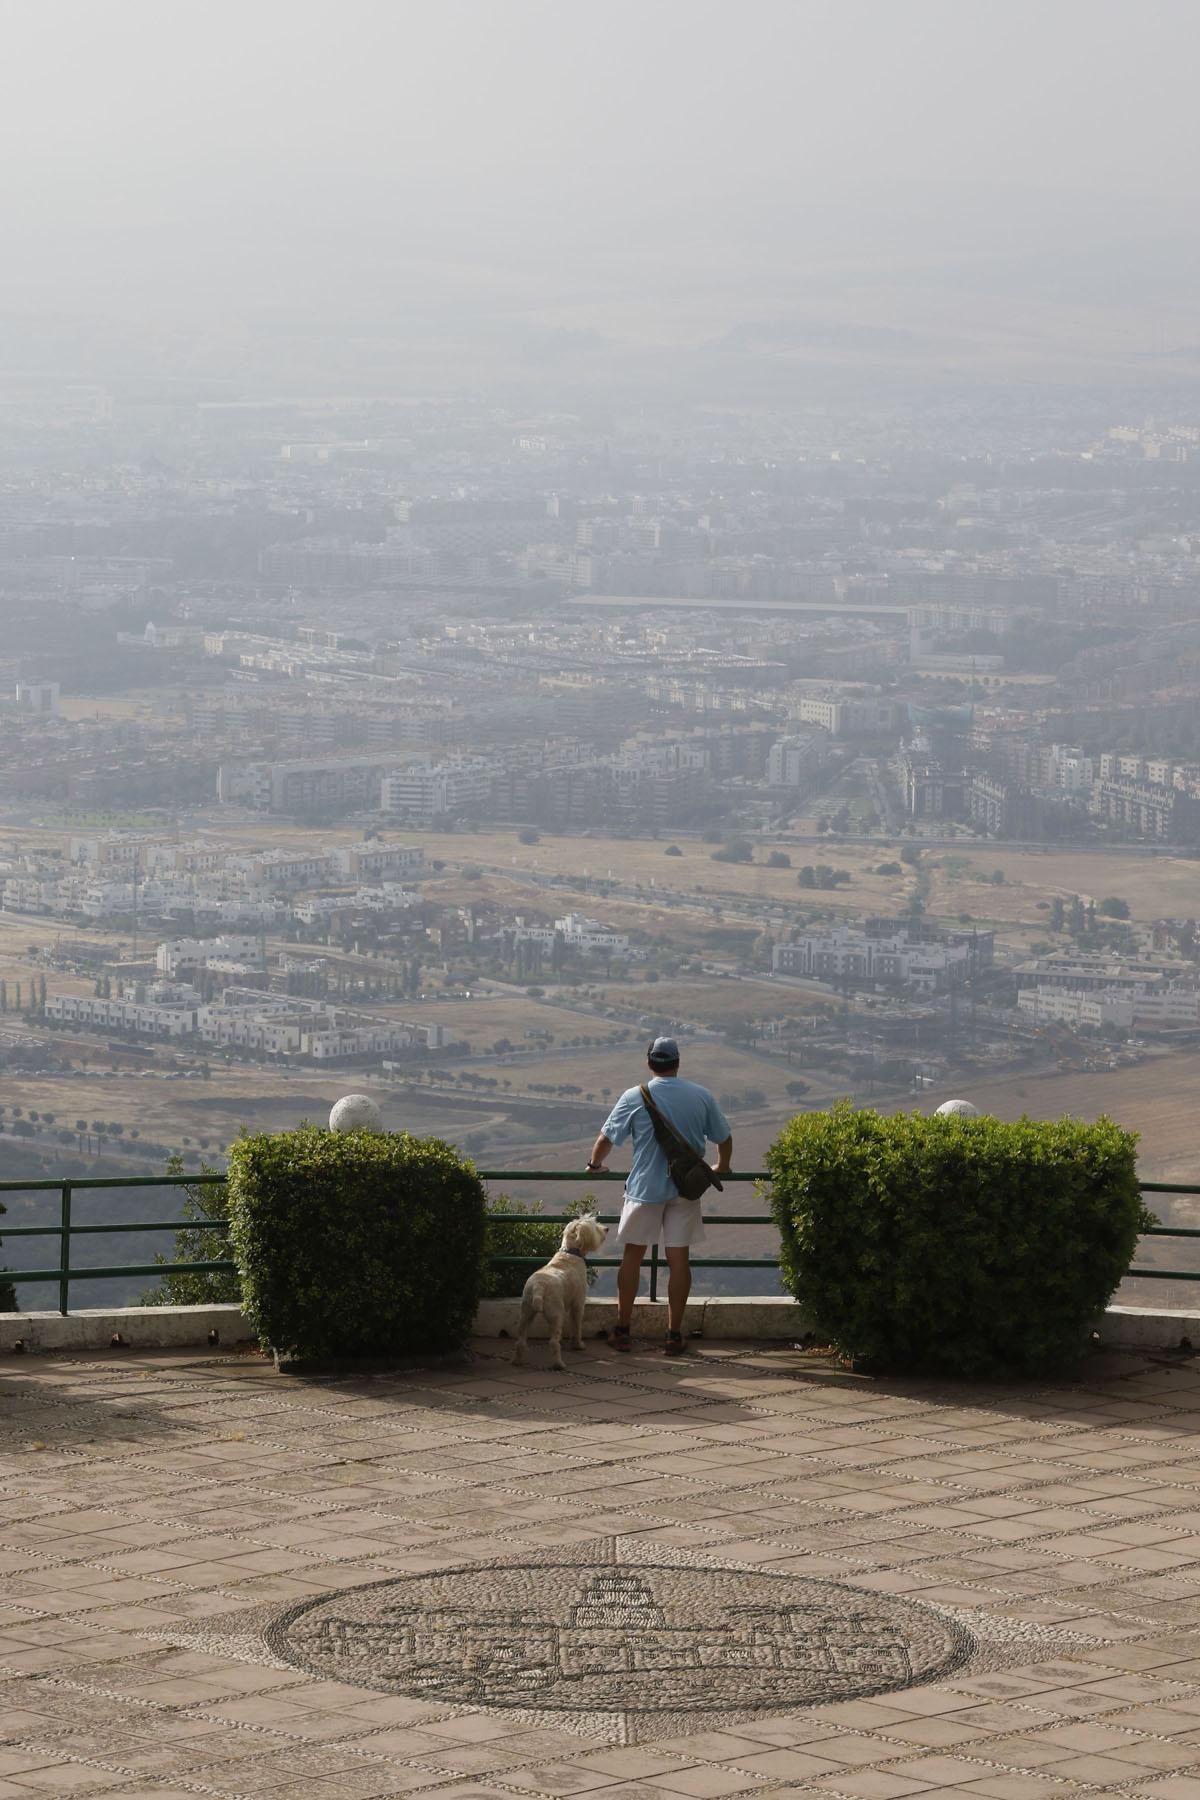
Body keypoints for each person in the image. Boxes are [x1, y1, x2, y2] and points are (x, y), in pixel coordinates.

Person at [586, 1038, 732, 1356]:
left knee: (633, 1258)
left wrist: (595, 1165)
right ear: (677, 1063)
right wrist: (722, 1166)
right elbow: (724, 1138)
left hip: (644, 1189)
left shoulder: (634, 1096)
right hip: (685, 1190)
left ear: (650, 1063)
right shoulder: (701, 1095)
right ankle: (673, 1334)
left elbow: (605, 1139)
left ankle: (623, 1329)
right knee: (679, 1261)